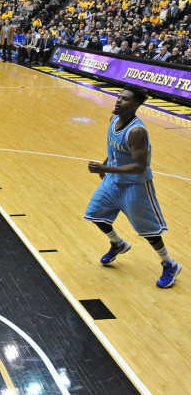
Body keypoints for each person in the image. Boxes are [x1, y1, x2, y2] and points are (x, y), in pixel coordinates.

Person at [84, 86, 181, 288]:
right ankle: (118, 243)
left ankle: (169, 264)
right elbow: (114, 148)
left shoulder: (136, 131)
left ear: (135, 104)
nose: (119, 100)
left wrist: (105, 167)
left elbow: (139, 166)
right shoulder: (113, 120)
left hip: (135, 186)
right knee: (94, 214)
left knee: (149, 232)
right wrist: (106, 164)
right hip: (113, 182)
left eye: (125, 99)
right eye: (119, 97)